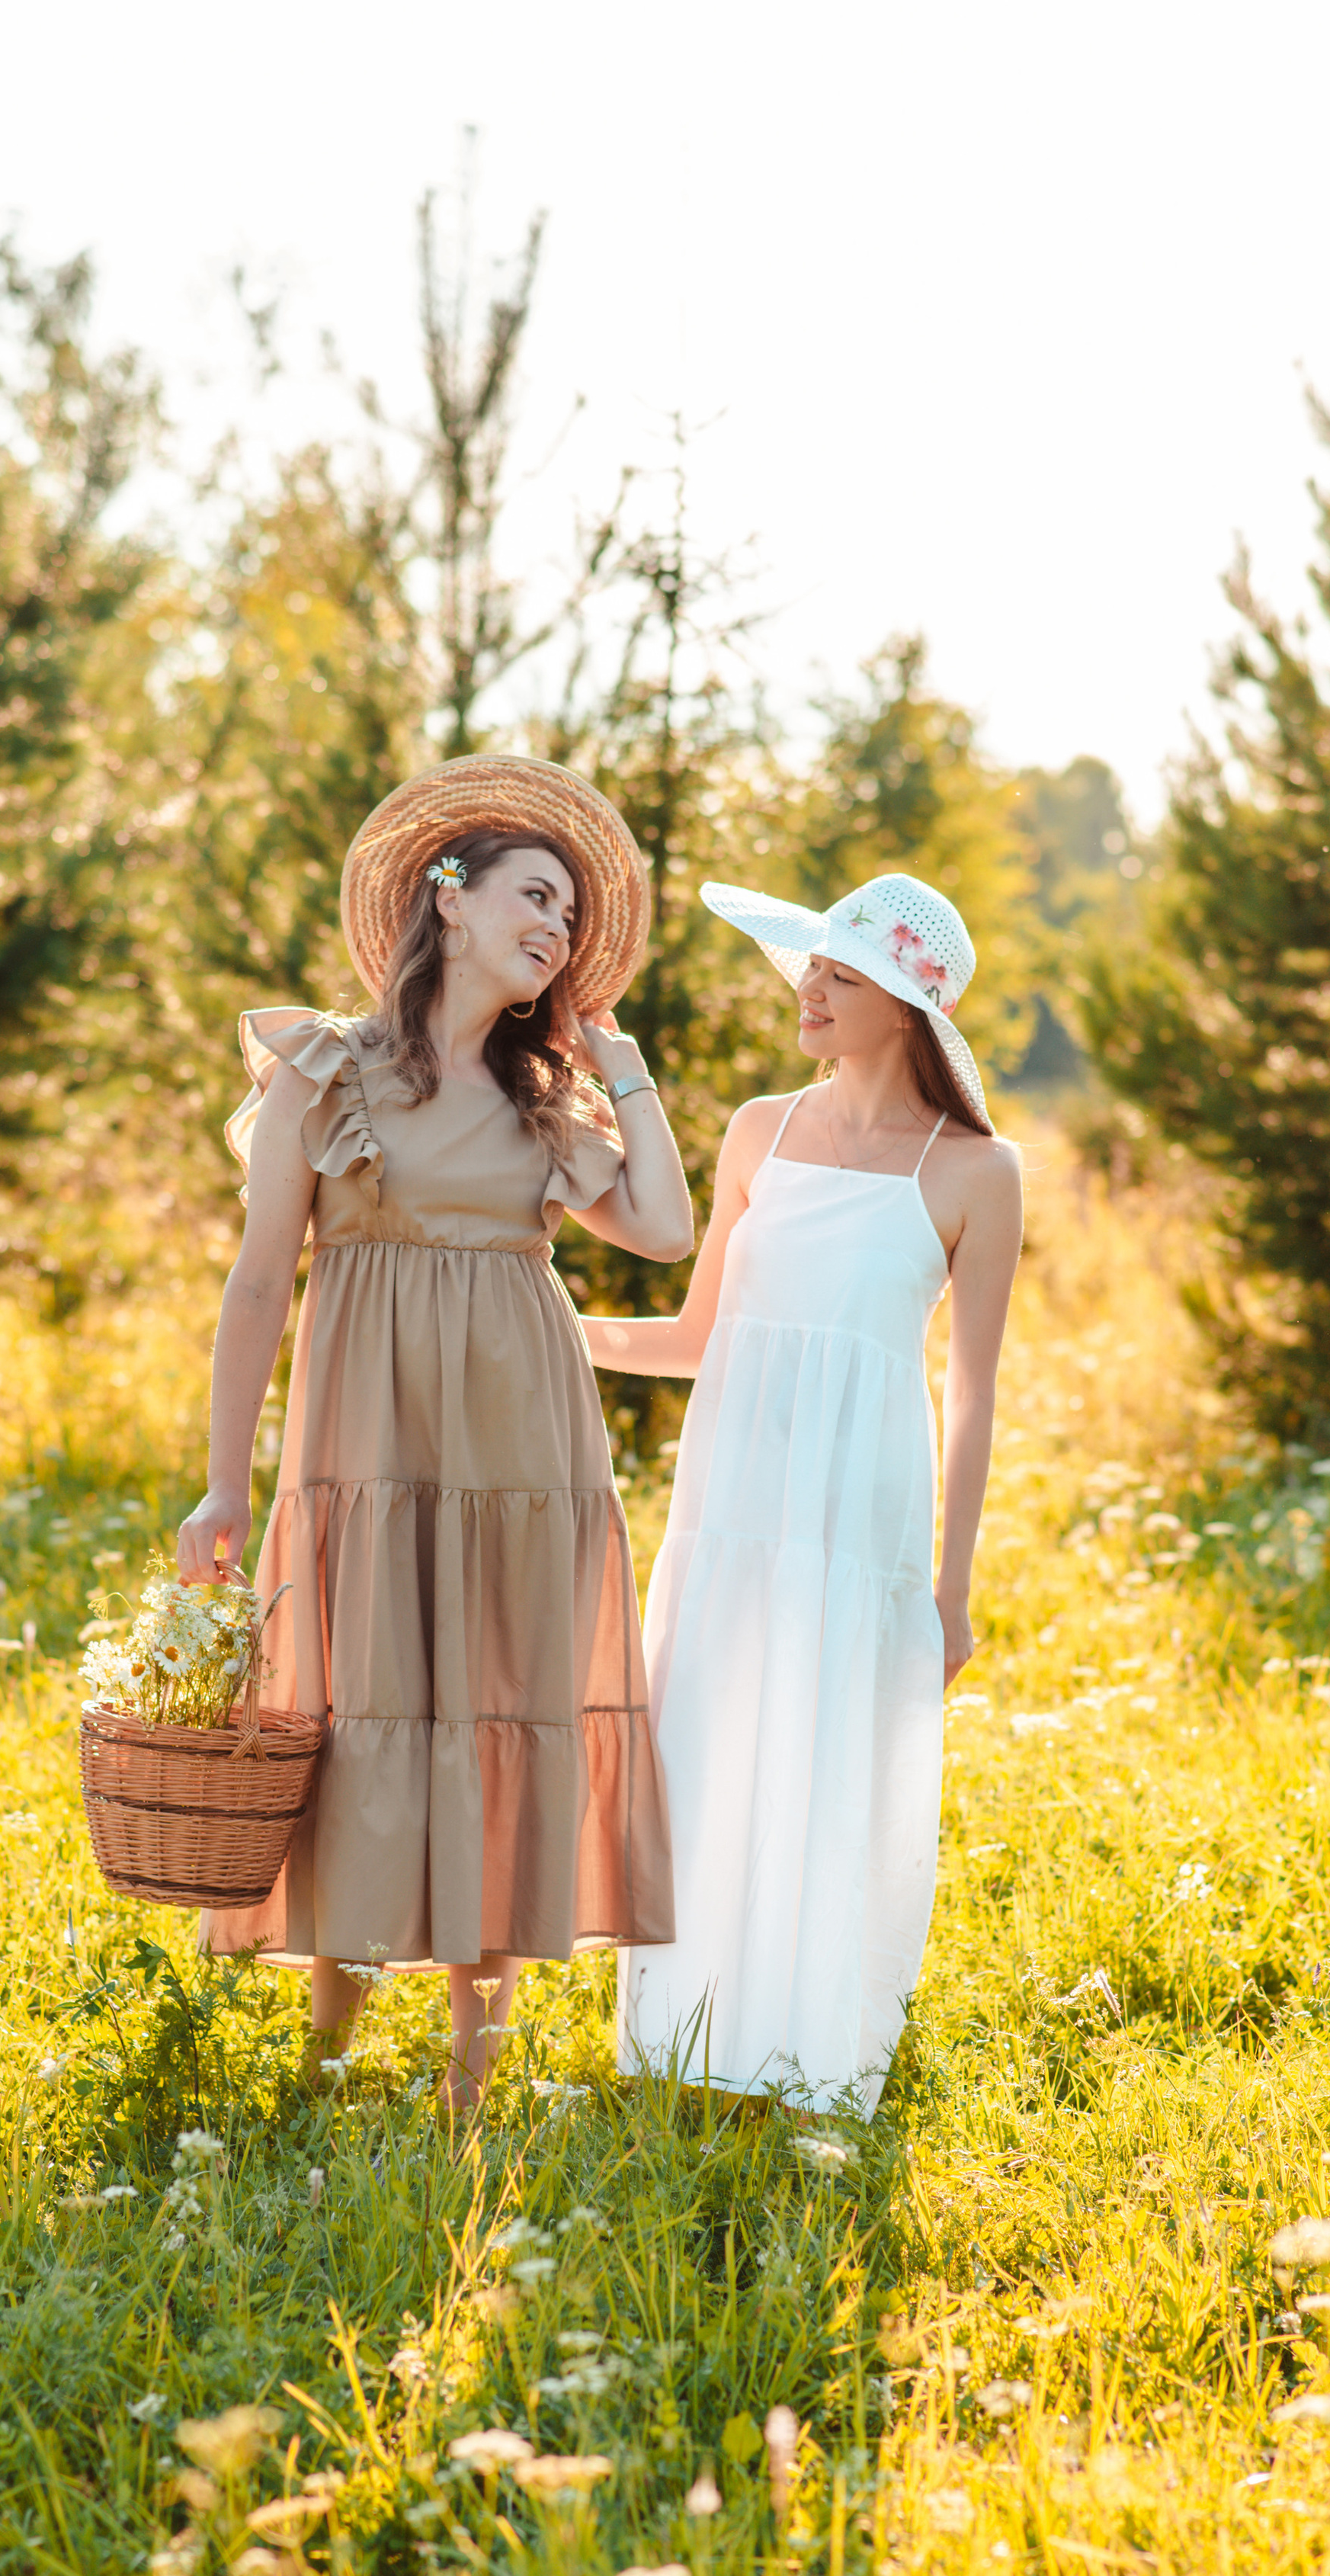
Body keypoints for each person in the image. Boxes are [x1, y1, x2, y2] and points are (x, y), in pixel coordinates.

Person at [177, 756, 691, 2109]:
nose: (559, 930)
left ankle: (477, 2070)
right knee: (354, 1704)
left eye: (574, 918)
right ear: (448, 902)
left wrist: (625, 1069)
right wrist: (224, 1484)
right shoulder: (326, 1072)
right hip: (369, 1448)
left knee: (500, 1706)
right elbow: (253, 1285)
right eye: (537, 896)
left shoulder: (547, 1098)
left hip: (526, 1458)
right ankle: (329, 2048)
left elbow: (665, 1230)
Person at [583, 872, 1022, 2112]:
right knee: (708, 1741)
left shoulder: (980, 1171)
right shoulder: (758, 1130)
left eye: (840, 972)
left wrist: (953, 1588)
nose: (810, 988)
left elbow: (976, 1393)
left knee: (836, 1759)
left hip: (859, 1516)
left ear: (907, 1006)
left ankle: (809, 2043)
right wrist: (550, 1322)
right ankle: (684, 2035)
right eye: (811, 966)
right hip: (732, 1508)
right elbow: (697, 1336)